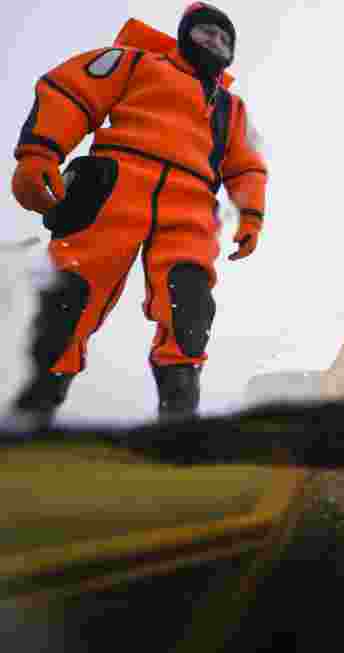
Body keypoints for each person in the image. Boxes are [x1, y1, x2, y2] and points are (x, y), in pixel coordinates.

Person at [9, 3, 267, 425]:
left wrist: (251, 215)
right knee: (72, 292)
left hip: (190, 202)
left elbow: (246, 165)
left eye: (225, 39)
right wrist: (40, 153)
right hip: (114, 184)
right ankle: (34, 409)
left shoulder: (231, 109)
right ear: (184, 35)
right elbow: (71, 91)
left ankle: (179, 420)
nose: (216, 43)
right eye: (206, 33)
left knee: (190, 305)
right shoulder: (133, 62)